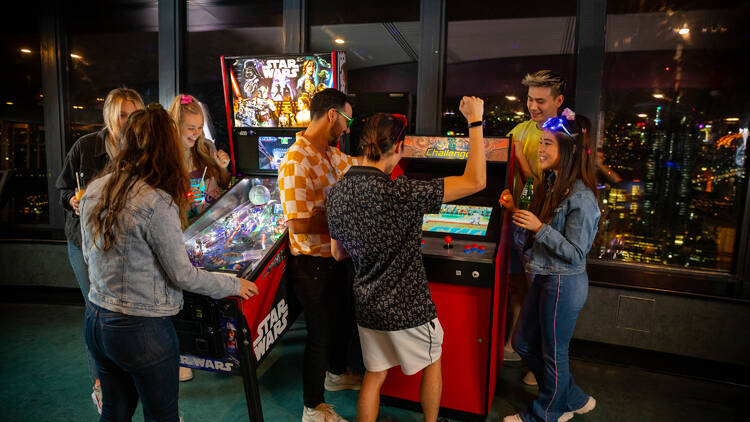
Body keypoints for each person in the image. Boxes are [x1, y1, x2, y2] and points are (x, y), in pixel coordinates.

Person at [79, 104, 259, 422]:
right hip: (141, 327)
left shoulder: (94, 189)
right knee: (162, 416)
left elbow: (88, 254)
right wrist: (234, 284)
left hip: (96, 319)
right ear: (165, 146)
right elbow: (182, 275)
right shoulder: (155, 201)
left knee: (115, 411)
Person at [326, 96, 487, 422]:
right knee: (432, 362)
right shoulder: (402, 192)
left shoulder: (338, 191)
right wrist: (475, 122)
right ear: (397, 148)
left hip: (367, 304)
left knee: (374, 374)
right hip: (409, 306)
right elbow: (477, 181)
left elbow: (337, 252)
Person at [499, 112, 599, 422]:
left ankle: (546, 414)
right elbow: (537, 227)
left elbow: (575, 252)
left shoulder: (582, 196)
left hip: (564, 283)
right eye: (539, 143)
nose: (539, 149)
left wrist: (540, 227)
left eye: (546, 144)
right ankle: (573, 398)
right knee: (523, 342)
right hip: (545, 276)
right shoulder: (554, 182)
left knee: (553, 354)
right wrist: (515, 209)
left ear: (567, 150)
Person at [54, 86, 144, 412]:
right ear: (108, 115)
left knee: (125, 315)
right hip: (85, 244)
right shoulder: (85, 146)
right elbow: (63, 189)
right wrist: (72, 200)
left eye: (133, 114)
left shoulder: (143, 149)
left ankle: (127, 378)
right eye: (121, 114)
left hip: (126, 247)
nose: (127, 120)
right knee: (98, 314)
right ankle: (101, 385)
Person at [278, 88, 363, 422]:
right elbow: (297, 224)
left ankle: (337, 374)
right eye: (347, 119)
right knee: (320, 334)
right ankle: (312, 407)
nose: (347, 127)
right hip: (311, 264)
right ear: (332, 115)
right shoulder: (296, 160)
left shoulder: (330, 153)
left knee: (342, 321)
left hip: (337, 258)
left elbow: (360, 167)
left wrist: (391, 156)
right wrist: (340, 213)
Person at [504, 71, 567, 388]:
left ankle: (537, 363)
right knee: (517, 287)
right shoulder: (520, 129)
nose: (533, 106)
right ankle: (516, 346)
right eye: (529, 99)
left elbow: (544, 184)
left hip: (541, 227)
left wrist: (518, 158)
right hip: (515, 220)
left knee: (541, 296)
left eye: (540, 100)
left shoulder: (561, 132)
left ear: (558, 101)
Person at [167, 94, 231, 223]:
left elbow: (224, 184)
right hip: (187, 231)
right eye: (191, 128)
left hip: (216, 224)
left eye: (200, 127)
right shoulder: (166, 160)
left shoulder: (207, 147)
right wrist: (182, 202)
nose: (197, 133)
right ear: (175, 127)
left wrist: (222, 168)